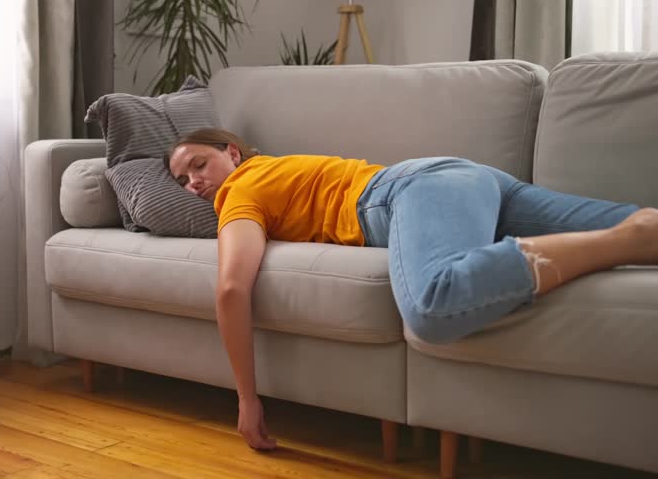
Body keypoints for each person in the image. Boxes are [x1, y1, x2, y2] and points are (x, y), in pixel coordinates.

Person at [164, 127, 658, 451]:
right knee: (646, 223)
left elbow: (231, 288)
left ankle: (617, 244)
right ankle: (632, 233)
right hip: (472, 181)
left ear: (232, 151)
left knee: (432, 304)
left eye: (199, 165)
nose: (193, 183)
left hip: (410, 191)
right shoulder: (277, 170)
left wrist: (248, 400)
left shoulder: (240, 189)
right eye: (182, 179)